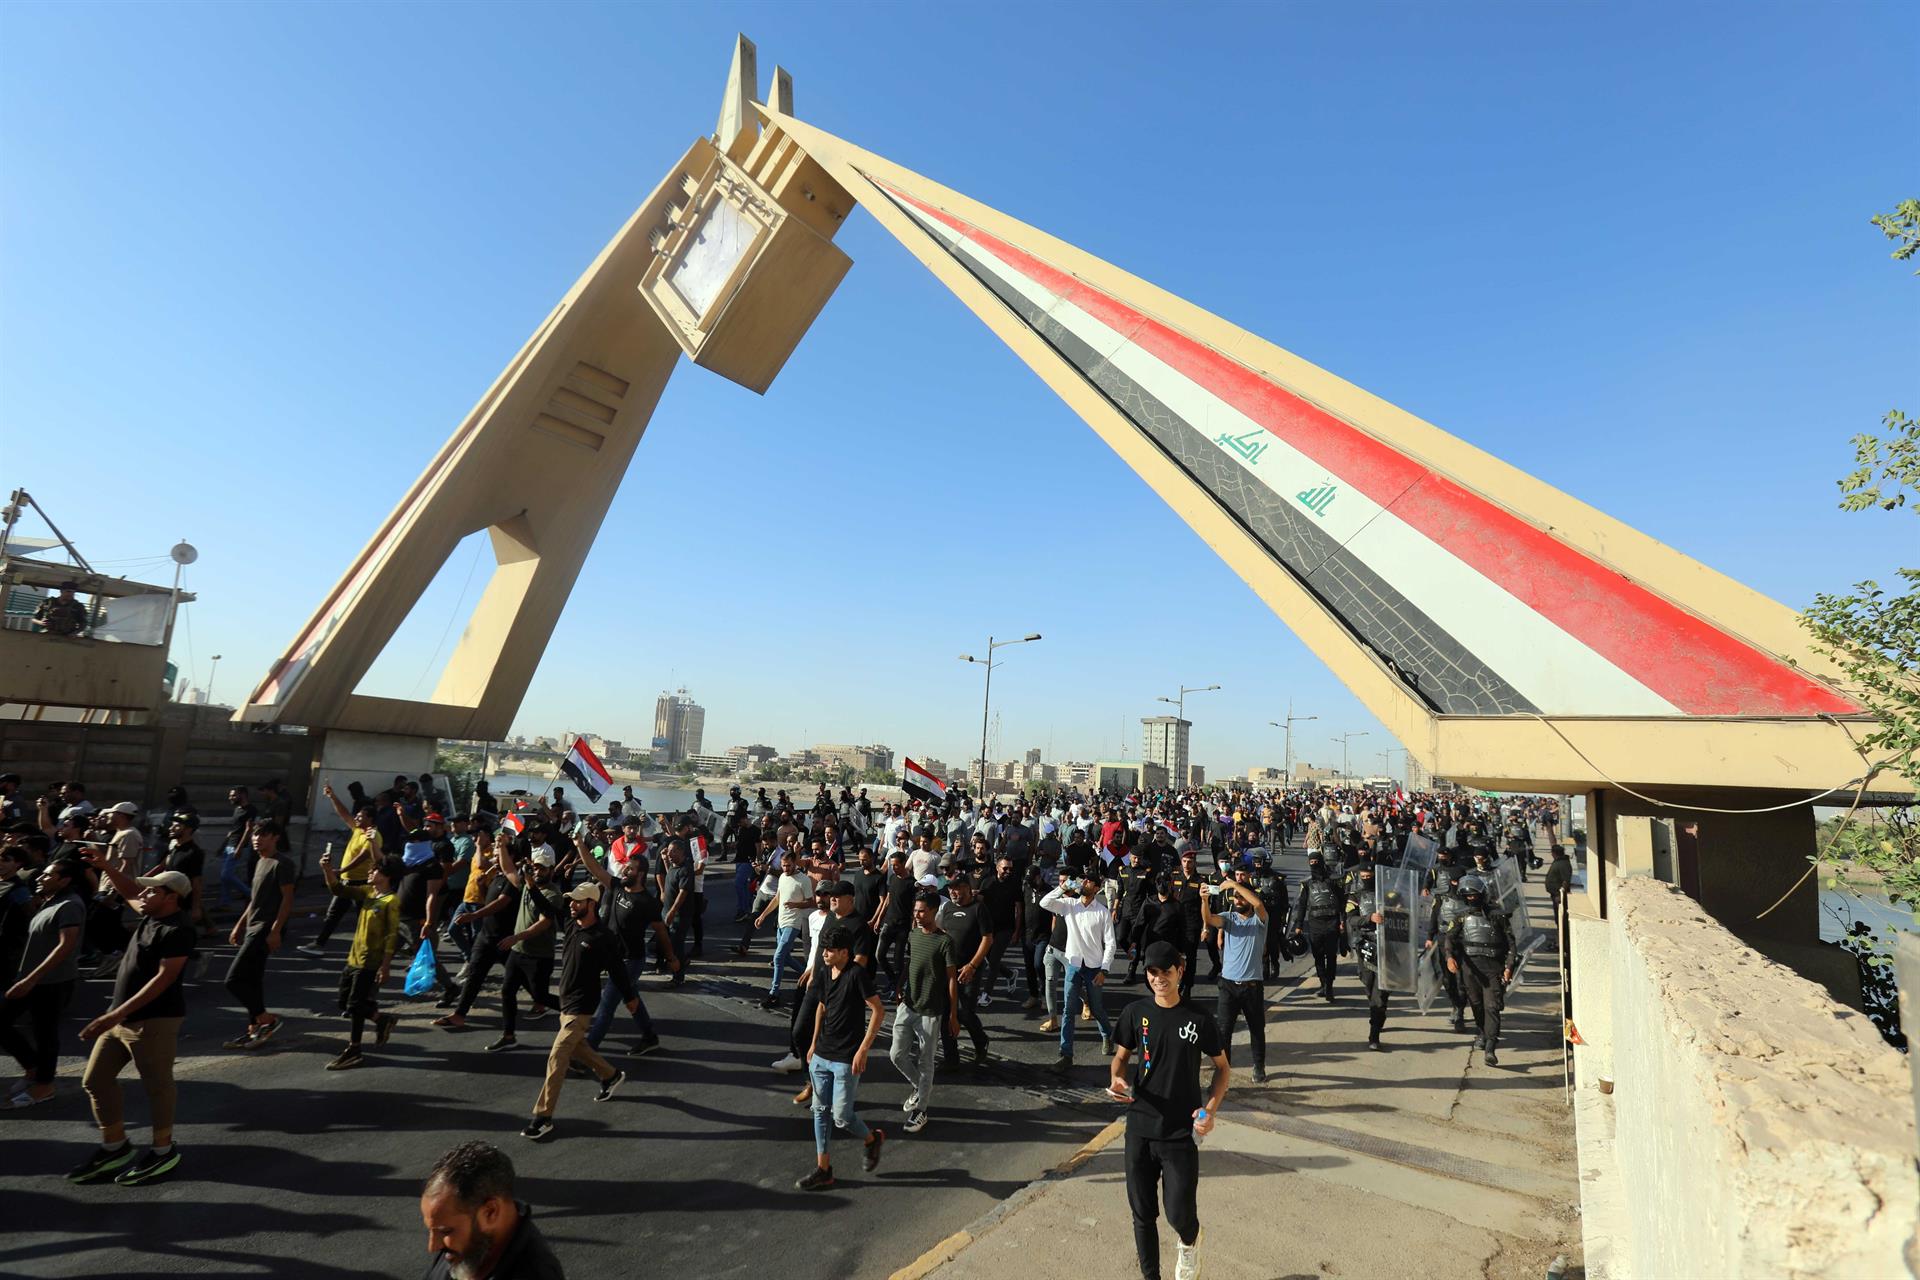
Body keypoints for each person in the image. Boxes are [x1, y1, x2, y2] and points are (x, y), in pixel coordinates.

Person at [69, 858, 195, 1186]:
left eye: (153, 891)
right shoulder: (152, 914)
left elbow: (165, 979)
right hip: (120, 1018)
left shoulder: (178, 929)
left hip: (152, 1021)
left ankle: (163, 1151)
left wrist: (114, 1014)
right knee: (95, 1081)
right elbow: (129, 892)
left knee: (157, 1087)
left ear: (172, 897)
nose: (144, 894)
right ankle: (115, 1147)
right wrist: (106, 866)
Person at [1110, 941, 1229, 1280]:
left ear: (1180, 972)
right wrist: (1117, 1081)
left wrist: (1209, 1110)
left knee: (1179, 1214)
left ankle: (1190, 1242)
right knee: (1142, 1214)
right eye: (1153, 972)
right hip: (1140, 1126)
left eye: (1166, 972)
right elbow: (1120, 1059)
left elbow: (1222, 1068)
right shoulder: (1135, 1013)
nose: (1159, 979)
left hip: (1180, 1132)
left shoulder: (1198, 1018)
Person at [521, 882, 638, 1142]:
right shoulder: (572, 925)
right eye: (571, 900)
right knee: (578, 1048)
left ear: (591, 904)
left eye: (578, 901)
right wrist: (531, 885)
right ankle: (611, 1075)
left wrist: (630, 998)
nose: (572, 904)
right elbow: (548, 910)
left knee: (557, 1055)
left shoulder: (602, 937)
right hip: (566, 1002)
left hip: (582, 1007)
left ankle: (543, 1117)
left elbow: (618, 970)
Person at [796, 923, 887, 1190]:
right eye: (824, 949)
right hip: (822, 1054)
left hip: (847, 1057)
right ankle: (823, 1170)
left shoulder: (857, 975)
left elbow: (878, 1010)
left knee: (842, 1117)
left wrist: (863, 1049)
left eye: (831, 950)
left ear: (845, 952)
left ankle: (872, 1139)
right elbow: (822, 1008)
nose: (824, 954)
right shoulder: (825, 971)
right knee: (820, 1113)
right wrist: (813, 1044)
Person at [575, 834, 674, 1056]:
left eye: (629, 869)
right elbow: (595, 869)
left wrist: (671, 958)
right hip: (611, 956)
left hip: (631, 961)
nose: (624, 871)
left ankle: (587, 1054)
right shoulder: (618, 886)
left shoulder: (648, 902)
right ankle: (649, 1036)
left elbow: (661, 932)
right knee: (632, 997)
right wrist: (580, 845)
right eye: (625, 868)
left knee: (607, 1005)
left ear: (640, 874)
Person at [1, 858, 85, 1107]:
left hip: (51, 982)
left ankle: (44, 1085)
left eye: (48, 875)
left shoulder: (69, 905)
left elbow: (66, 945)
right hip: (31, 979)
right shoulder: (51, 901)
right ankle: (33, 1068)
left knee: (45, 1033)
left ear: (65, 880)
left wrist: (31, 979)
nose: (40, 878)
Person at [419, 1140, 566, 1279]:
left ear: (490, 1212)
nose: (432, 1246)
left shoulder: (535, 1274)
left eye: (446, 1231)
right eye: (431, 1230)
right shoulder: (467, 1248)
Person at [319, 850, 404, 1069]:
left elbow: (391, 935)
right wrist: (328, 870)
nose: (370, 872)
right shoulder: (367, 892)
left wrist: (385, 966)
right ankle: (381, 1019)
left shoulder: (390, 901)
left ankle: (354, 1049)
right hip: (353, 957)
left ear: (386, 876)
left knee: (355, 1005)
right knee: (344, 1002)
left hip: (370, 961)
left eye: (375, 870)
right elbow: (338, 889)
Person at [888, 890, 955, 1135]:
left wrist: (953, 1015)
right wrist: (898, 986)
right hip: (908, 1004)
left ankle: (922, 1109)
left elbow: (951, 980)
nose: (917, 915)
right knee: (896, 1054)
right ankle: (919, 1087)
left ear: (934, 912)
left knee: (926, 1061)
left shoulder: (945, 942)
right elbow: (910, 962)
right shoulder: (914, 934)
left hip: (931, 1010)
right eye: (915, 910)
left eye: (922, 911)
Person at [223, 820, 295, 1050]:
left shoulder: (282, 864)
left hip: (265, 929)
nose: (257, 838)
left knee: (233, 980)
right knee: (252, 980)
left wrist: (275, 931)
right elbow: (254, 899)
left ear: (275, 837)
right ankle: (254, 1029)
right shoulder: (260, 861)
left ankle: (267, 1019)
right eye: (255, 834)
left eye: (263, 835)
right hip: (253, 927)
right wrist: (239, 924)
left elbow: (287, 899)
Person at [1040, 868, 1117, 1074]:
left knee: (1096, 1007)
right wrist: (1062, 887)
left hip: (1093, 968)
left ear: (1097, 888)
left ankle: (1107, 1034)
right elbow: (1044, 903)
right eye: (1083, 881)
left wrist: (1104, 970)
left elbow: (1110, 944)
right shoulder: (1069, 905)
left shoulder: (1102, 912)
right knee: (1068, 1010)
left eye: (1089, 882)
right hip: (1073, 965)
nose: (1084, 884)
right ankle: (1066, 1054)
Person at [490, 845, 563, 1054]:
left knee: (540, 996)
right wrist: (501, 845)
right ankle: (508, 1036)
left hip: (539, 955)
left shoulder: (552, 894)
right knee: (507, 991)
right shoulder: (525, 884)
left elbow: (544, 922)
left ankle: (574, 1013)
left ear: (550, 870)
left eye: (542, 868)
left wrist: (515, 937)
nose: (538, 872)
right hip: (518, 951)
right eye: (535, 867)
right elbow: (508, 870)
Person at [1199, 871, 1270, 1083]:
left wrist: (1233, 884)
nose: (1237, 900)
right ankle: (1223, 1071)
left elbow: (1257, 904)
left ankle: (1259, 1067)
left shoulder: (1260, 920)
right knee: (1223, 1032)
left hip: (1252, 986)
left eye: (1241, 897)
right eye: (1235, 898)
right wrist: (1204, 900)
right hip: (1228, 985)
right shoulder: (1229, 918)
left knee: (1257, 1030)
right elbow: (1209, 919)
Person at [304, 783, 386, 957]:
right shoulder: (358, 830)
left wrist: (340, 871)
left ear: (370, 819)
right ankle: (319, 944)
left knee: (363, 919)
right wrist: (332, 796)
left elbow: (363, 857)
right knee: (333, 915)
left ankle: (371, 948)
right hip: (346, 882)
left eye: (360, 816)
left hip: (361, 884)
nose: (356, 818)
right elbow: (344, 814)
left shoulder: (373, 836)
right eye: (356, 815)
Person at [1446, 875, 1516, 1065]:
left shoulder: (1497, 916)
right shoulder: (1461, 917)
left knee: (1491, 1007)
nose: (1471, 899)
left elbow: (1511, 945)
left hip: (1493, 968)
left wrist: (1509, 967)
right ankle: (1483, 1032)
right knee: (1476, 1005)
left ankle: (1490, 1048)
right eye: (1467, 896)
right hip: (1470, 969)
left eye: (1474, 895)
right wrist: (1449, 957)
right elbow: (1449, 939)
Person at [935, 873, 993, 1068]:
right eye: (951, 888)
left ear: (968, 889)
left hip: (970, 969)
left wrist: (972, 966)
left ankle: (981, 1041)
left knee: (964, 1012)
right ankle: (951, 1059)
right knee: (945, 1014)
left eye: (957, 888)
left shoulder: (979, 908)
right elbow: (941, 931)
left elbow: (987, 939)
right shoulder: (948, 907)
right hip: (948, 968)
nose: (953, 892)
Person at [757, 855, 815, 1010]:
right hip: (781, 922)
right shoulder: (782, 876)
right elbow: (777, 898)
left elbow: (811, 901)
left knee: (778, 957)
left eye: (789, 865)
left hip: (793, 924)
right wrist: (762, 916)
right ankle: (808, 975)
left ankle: (774, 994)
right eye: (783, 865)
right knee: (786, 958)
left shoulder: (804, 880)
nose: (786, 869)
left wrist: (796, 904)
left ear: (795, 863)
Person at [1289, 854, 1346, 1001]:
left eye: (1316, 862)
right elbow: (1302, 905)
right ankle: (1323, 983)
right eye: (1311, 862)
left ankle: (1330, 985)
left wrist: (1342, 921)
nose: (1314, 864)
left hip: (1332, 922)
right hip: (1315, 924)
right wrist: (1299, 925)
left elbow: (1342, 902)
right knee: (1318, 956)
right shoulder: (1307, 884)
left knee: (1331, 955)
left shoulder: (1333, 881)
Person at [1423, 866, 1472, 1033]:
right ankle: (1455, 1004)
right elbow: (1434, 916)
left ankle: (1460, 1012)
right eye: (1453, 881)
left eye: (1459, 881)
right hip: (1444, 940)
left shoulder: (1470, 896)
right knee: (1447, 979)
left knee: (1461, 981)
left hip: (1464, 942)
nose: (1456, 884)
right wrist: (1430, 937)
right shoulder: (1441, 897)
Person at [1347, 863, 1389, 1051]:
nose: (1366, 878)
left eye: (1369, 875)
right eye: (1363, 875)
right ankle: (1376, 1012)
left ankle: (1375, 1032)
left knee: (1380, 992)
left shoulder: (1387, 895)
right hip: (1365, 945)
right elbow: (1351, 919)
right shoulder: (1355, 896)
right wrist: (1369, 918)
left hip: (1384, 946)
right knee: (1368, 983)